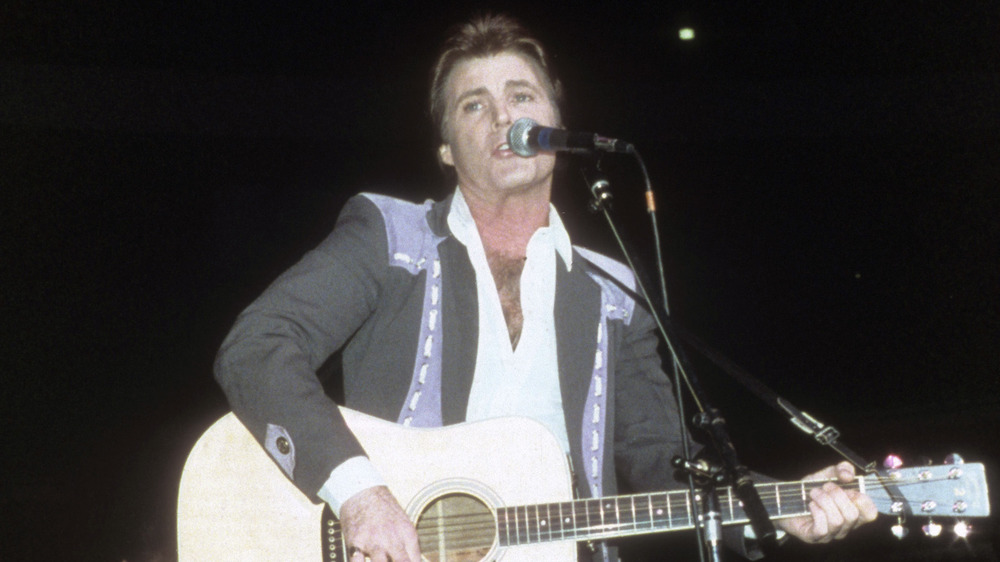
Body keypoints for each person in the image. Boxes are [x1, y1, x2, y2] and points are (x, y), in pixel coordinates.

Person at [214, 13, 877, 562]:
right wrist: (361, 495)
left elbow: (660, 458)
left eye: (522, 96)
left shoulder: (615, 291)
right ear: (446, 147)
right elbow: (256, 347)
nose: (503, 117)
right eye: (474, 104)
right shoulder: (391, 239)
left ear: (557, 118)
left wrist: (783, 505)